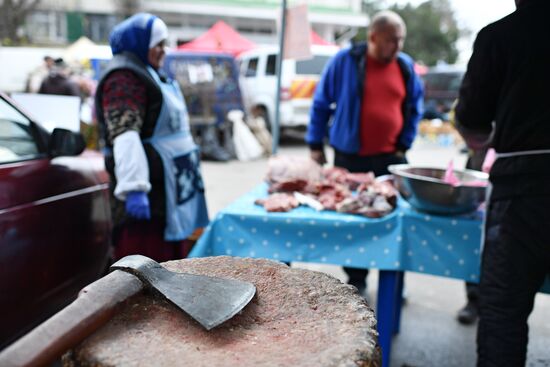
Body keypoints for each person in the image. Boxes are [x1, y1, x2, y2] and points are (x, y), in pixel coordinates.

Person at [454, 0, 550, 365]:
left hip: (522, 193)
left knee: (503, 314)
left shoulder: (500, 37)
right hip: (521, 184)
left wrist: (486, 143)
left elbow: (471, 117)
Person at [305, 10, 424, 296]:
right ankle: (356, 279)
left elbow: (415, 107)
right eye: (391, 40)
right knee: (353, 219)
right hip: (350, 156)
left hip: (391, 158)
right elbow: (321, 104)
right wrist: (314, 144)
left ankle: (394, 282)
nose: (397, 47)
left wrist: (404, 142)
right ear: (372, 37)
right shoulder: (345, 61)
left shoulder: (405, 66)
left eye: (401, 40)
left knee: (395, 218)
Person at [95, 13, 209, 262]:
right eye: (158, 44)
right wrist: (135, 189)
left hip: (170, 193)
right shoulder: (123, 78)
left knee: (172, 271)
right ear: (139, 43)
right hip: (150, 199)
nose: (163, 51)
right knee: (147, 271)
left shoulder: (149, 73)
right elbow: (124, 134)